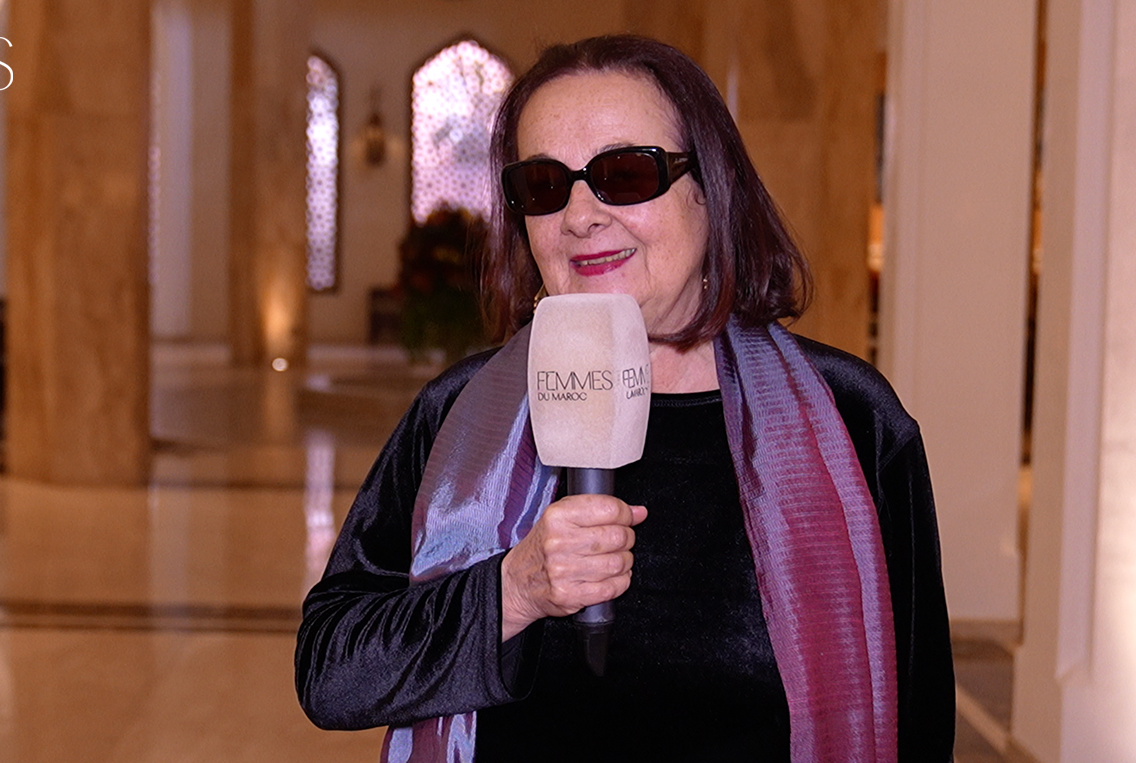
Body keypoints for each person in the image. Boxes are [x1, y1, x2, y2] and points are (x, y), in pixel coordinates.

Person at [296, 34, 953, 763]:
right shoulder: (458, 414)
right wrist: (510, 592)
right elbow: (332, 675)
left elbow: (919, 720)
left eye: (625, 173)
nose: (579, 215)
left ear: (711, 189)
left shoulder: (850, 419)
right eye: (544, 185)